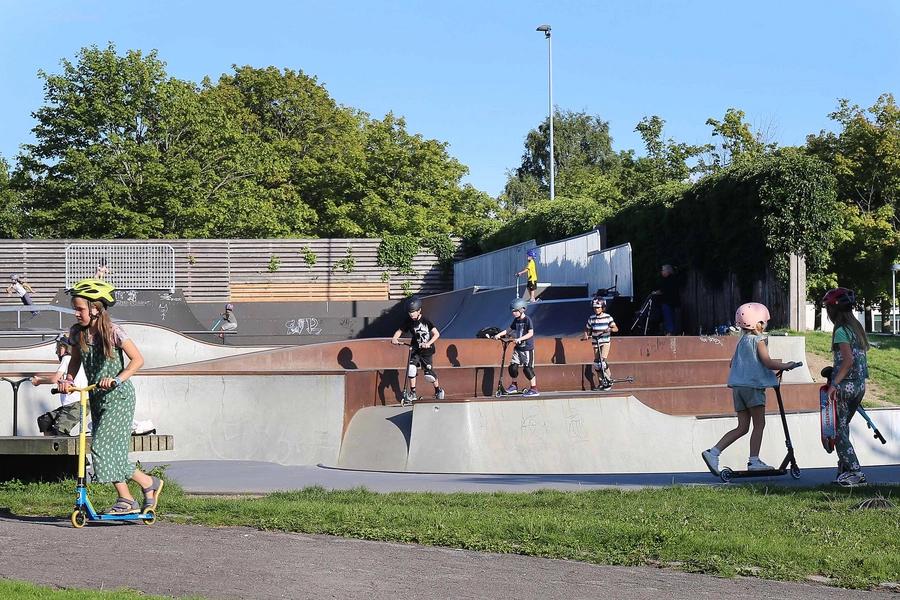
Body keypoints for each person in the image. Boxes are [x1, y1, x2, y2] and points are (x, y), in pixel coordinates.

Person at [57, 278, 163, 515]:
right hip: (96, 397)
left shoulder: (114, 331)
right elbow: (75, 361)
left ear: (95, 308)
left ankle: (128, 498)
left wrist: (117, 378)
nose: (76, 313)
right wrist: (68, 380)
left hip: (118, 397)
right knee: (111, 451)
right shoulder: (77, 332)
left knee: (101, 447)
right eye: (75, 308)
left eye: (80, 309)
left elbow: (138, 360)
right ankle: (147, 484)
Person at [701, 302, 798, 475]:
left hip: (738, 388)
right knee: (759, 424)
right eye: (765, 321)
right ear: (759, 323)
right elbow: (768, 363)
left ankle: (713, 452)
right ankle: (754, 461)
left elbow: (732, 364)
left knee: (742, 427)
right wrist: (787, 365)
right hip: (753, 388)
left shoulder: (742, 341)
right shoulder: (758, 340)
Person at [823, 287, 869, 487]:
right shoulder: (856, 328)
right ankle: (844, 469)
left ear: (833, 310)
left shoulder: (841, 331)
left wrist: (833, 384)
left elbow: (847, 361)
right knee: (843, 427)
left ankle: (854, 472)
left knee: (838, 431)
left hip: (845, 386)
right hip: (859, 385)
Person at [32, 334, 89, 436]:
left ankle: (64, 445)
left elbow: (55, 379)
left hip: (78, 403)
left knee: (60, 430)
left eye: (59, 348)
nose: (56, 352)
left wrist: (39, 381)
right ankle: (50, 446)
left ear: (68, 348)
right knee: (45, 421)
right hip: (70, 405)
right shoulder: (73, 361)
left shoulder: (67, 358)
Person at [391, 297, 445, 401]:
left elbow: (436, 334)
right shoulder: (409, 322)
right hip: (415, 349)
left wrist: (428, 343)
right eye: (409, 312)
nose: (411, 314)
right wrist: (395, 338)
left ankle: (438, 390)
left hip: (426, 351)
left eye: (413, 312)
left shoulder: (426, 321)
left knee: (429, 375)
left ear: (419, 310)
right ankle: (413, 393)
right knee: (411, 369)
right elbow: (399, 331)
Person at [492, 298, 539, 396]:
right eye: (513, 311)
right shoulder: (516, 320)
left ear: (522, 309)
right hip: (518, 348)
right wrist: (499, 335)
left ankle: (534, 389)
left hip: (527, 348)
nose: (514, 313)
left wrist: (519, 339)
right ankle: (514, 385)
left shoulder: (527, 320)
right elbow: (509, 330)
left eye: (516, 311)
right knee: (513, 367)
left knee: (527, 369)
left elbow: (531, 333)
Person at [581, 297, 619, 389]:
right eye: (594, 308)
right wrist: (585, 334)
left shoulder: (608, 317)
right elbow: (587, 328)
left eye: (598, 307)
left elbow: (616, 328)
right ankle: (601, 382)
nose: (596, 309)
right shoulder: (592, 318)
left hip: (605, 342)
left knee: (602, 362)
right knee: (597, 363)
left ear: (603, 307)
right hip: (595, 342)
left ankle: (608, 378)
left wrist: (609, 329)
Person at [651, 264, 679, 335]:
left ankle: (670, 332)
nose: (661, 272)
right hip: (673, 301)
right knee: (672, 316)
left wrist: (655, 293)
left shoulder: (667, 279)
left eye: (663, 270)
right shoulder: (674, 278)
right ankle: (672, 331)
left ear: (667, 271)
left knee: (668, 316)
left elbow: (662, 290)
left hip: (667, 301)